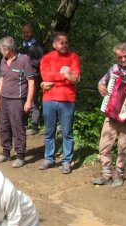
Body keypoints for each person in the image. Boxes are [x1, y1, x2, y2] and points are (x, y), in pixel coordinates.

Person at [93, 43, 126, 188]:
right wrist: (101, 87)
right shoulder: (114, 69)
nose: (123, 59)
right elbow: (101, 82)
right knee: (104, 143)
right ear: (116, 57)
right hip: (111, 113)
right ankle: (106, 173)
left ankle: (119, 174)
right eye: (120, 57)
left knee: (123, 146)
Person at [38, 32, 80, 174]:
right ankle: (49, 158)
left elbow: (74, 77)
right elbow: (45, 76)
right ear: (54, 44)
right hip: (49, 98)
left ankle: (67, 161)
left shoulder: (73, 57)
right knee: (49, 131)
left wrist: (55, 79)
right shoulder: (46, 58)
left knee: (67, 132)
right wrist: (64, 75)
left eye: (66, 42)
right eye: (61, 42)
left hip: (67, 99)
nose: (64, 45)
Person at [0, 36, 36, 168]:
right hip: (4, 99)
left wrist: (29, 101)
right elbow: (2, 79)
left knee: (17, 127)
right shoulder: (3, 61)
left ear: (7, 49)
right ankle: (6, 152)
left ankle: (20, 155)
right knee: (3, 126)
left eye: (1, 48)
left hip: (17, 100)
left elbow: (31, 81)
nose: (0, 50)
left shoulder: (24, 60)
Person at [19, 23, 44, 136]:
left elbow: (41, 62)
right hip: (23, 77)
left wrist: (28, 61)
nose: (26, 34)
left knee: (33, 100)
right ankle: (23, 124)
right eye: (24, 32)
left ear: (32, 32)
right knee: (23, 99)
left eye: (28, 32)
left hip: (34, 77)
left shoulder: (37, 46)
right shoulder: (22, 46)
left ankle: (34, 126)